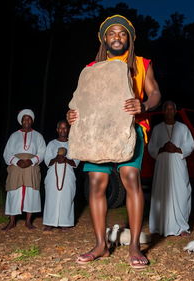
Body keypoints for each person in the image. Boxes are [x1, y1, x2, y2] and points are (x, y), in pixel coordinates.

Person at [67, 14, 161, 269]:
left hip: (131, 129)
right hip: (97, 133)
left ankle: (134, 247)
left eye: (122, 33)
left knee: (131, 178)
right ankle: (100, 245)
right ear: (104, 39)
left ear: (129, 38)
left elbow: (154, 93)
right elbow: (80, 102)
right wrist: (72, 114)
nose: (117, 37)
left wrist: (143, 105)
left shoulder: (141, 63)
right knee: (97, 183)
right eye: (112, 33)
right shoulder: (91, 68)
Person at [148, 100, 194, 237]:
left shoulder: (183, 128)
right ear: (164, 111)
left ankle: (181, 227)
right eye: (167, 109)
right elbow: (151, 147)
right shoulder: (157, 129)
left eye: (171, 109)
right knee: (162, 193)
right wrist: (162, 148)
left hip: (178, 163)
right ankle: (160, 226)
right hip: (162, 164)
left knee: (182, 192)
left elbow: (190, 145)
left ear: (175, 112)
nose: (169, 111)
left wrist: (178, 149)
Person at [2, 109, 46, 230]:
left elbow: (42, 152)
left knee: (31, 193)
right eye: (24, 119)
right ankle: (11, 221)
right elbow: (7, 153)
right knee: (14, 192)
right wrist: (17, 161)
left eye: (29, 118)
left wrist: (31, 160)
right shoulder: (14, 135)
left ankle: (28, 221)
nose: (26, 121)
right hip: (16, 167)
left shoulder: (38, 136)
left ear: (32, 121)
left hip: (31, 167)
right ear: (21, 121)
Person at [43, 120, 80, 230]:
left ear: (68, 130)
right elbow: (47, 162)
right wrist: (56, 158)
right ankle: (49, 223)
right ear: (57, 129)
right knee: (51, 197)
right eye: (60, 128)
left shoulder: (73, 143)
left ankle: (65, 223)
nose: (62, 130)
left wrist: (65, 159)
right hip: (52, 175)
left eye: (65, 128)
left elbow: (75, 162)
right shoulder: (52, 143)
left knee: (67, 197)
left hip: (68, 175)